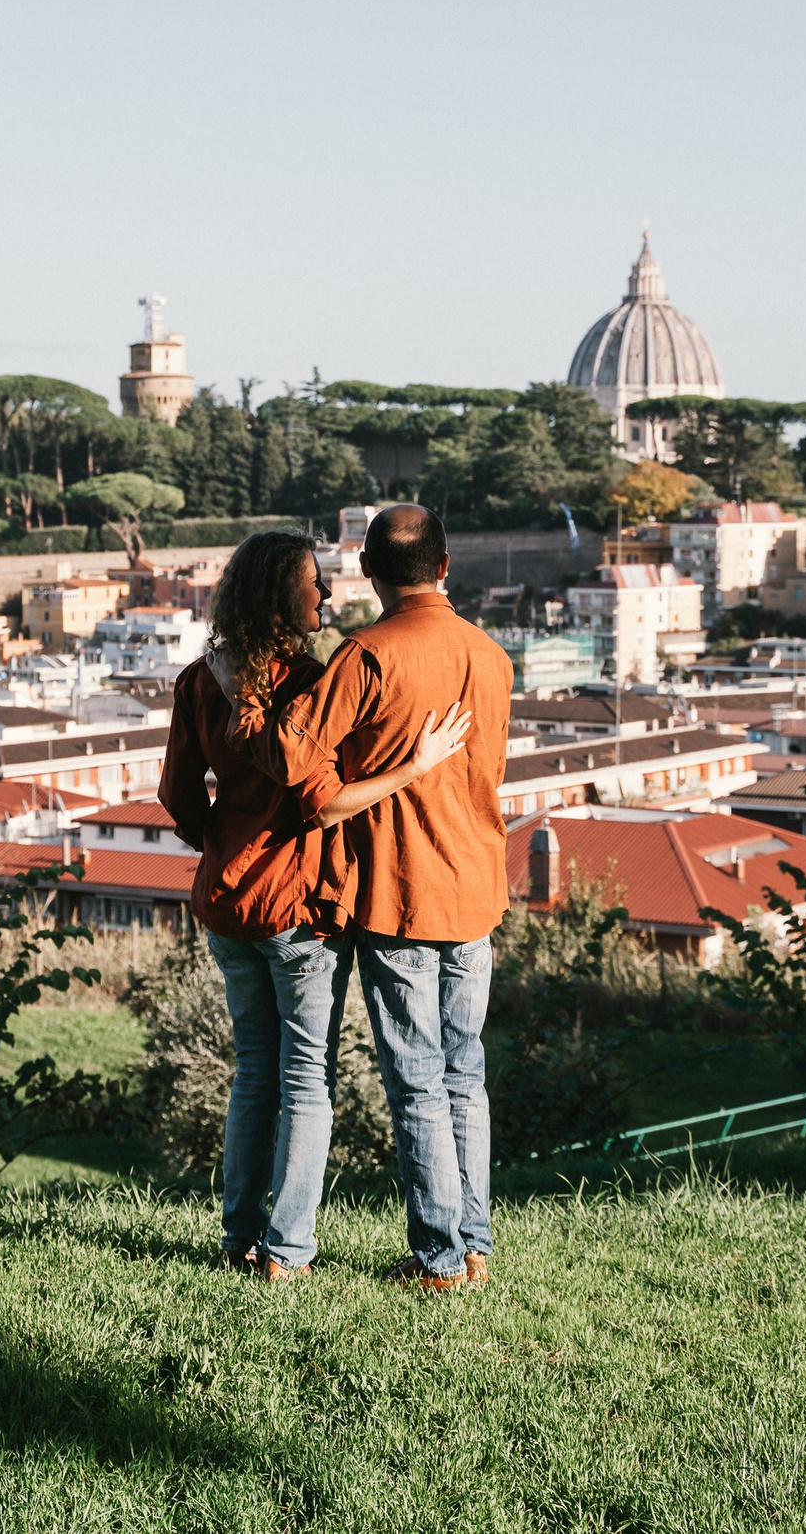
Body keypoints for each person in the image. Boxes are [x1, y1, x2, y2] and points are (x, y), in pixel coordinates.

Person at [159, 528, 472, 1281]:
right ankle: (288, 1248)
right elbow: (324, 798)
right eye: (314, 584)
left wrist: (223, 842)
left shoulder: (203, 676)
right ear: (280, 594)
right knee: (306, 1077)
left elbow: (175, 793)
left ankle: (239, 1236)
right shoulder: (313, 685)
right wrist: (415, 766)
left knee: (252, 1072)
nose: (327, 596)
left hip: (228, 901)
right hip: (300, 902)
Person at [247, 505, 511, 1291]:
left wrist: (237, 688)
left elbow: (291, 757)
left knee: (418, 1078)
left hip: (401, 889)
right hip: (478, 885)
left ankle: (437, 1259)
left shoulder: (366, 656)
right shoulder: (492, 656)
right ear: (446, 564)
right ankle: (473, 1243)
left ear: (367, 570)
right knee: (466, 1070)